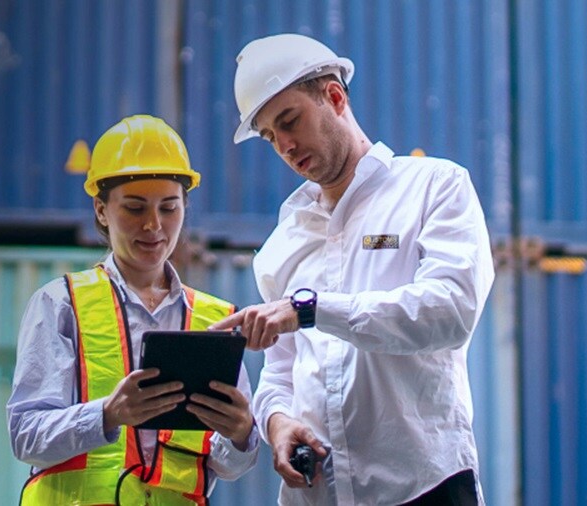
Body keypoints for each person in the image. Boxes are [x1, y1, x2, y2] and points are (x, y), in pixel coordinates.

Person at [210, 33, 495, 505]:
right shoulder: (283, 243)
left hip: (425, 489)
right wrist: (278, 422)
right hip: (319, 494)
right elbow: (280, 372)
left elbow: (451, 311)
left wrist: (310, 309)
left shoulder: (434, 188)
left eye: (289, 121)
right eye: (269, 136)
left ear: (335, 97)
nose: (284, 145)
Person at [7, 114, 259, 505]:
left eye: (169, 208)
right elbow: (26, 435)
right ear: (102, 210)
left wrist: (242, 434)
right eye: (135, 208)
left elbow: (227, 465)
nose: (154, 225)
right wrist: (107, 415)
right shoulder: (61, 304)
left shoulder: (217, 319)